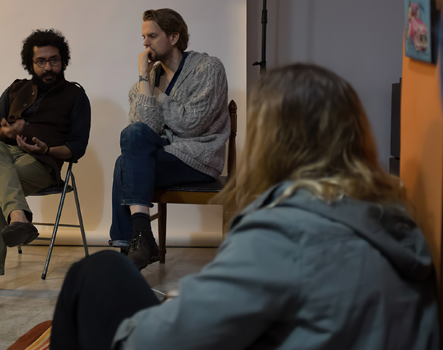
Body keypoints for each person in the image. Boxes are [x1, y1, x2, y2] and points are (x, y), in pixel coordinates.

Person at [50, 64, 439, 349]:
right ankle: (137, 236)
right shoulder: (393, 218)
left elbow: (159, 341)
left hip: (191, 162)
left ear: (273, 140)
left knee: (97, 272)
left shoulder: (287, 232)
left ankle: (132, 241)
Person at [0, 29, 91, 304]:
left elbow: (77, 148)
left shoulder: (75, 96)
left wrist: (46, 149)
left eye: (54, 60)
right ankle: (19, 217)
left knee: (2, 186)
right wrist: (7, 134)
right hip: (3, 154)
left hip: (41, 162)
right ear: (30, 64)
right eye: (41, 61)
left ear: (63, 61)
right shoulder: (15, 89)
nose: (48, 67)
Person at [109, 8, 230, 269]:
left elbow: (191, 125)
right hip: (165, 155)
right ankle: (140, 240)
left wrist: (155, 94)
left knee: (123, 166)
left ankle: (126, 256)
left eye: (152, 36)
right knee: (131, 138)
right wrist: (144, 78)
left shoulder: (208, 68)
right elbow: (144, 130)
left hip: (198, 158)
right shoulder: (147, 80)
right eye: (143, 37)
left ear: (174, 37)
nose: (145, 43)